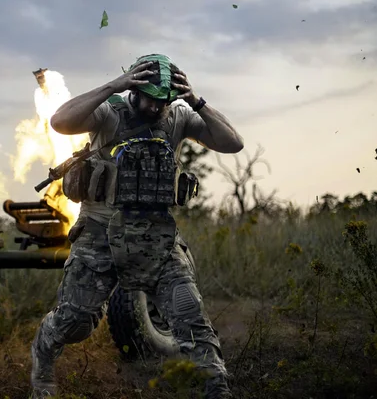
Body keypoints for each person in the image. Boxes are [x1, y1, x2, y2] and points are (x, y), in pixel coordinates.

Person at [30, 53, 244, 398]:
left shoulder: (178, 116)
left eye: (163, 100)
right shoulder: (108, 112)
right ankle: (43, 355)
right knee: (75, 322)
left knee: (191, 321)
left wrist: (195, 100)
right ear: (134, 88)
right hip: (100, 234)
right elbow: (60, 121)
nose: (155, 107)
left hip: (157, 239)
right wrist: (114, 85)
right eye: (149, 98)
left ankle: (217, 390)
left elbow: (233, 142)